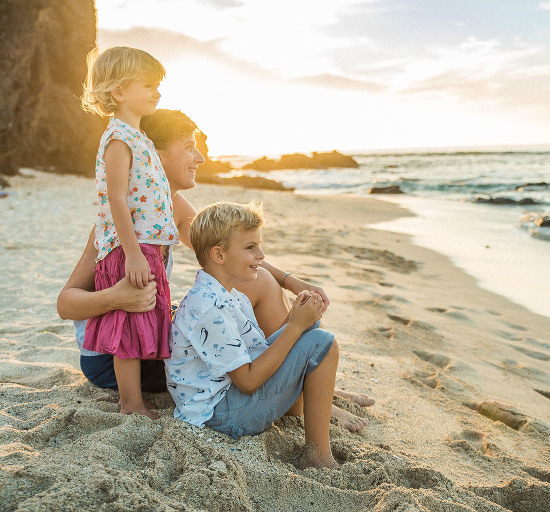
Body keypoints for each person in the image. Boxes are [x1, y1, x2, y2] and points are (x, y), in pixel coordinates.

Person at [57, 109, 372, 430]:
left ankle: (305, 378)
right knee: (241, 301)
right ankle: (300, 393)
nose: (200, 158)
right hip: (111, 355)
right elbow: (65, 303)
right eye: (189, 146)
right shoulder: (115, 224)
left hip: (152, 330)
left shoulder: (173, 206)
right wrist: (117, 298)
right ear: (156, 156)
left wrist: (290, 280)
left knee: (256, 284)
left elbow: (230, 253)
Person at [169, 202, 339, 468]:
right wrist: (293, 326)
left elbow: (256, 350)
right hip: (222, 413)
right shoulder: (211, 309)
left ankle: (296, 411)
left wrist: (299, 319)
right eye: (250, 247)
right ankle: (318, 456)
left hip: (226, 398)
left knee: (311, 329)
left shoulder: (227, 294)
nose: (261, 255)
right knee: (324, 344)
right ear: (219, 255)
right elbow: (247, 381)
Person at [80, 47, 177, 419]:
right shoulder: (118, 139)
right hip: (129, 249)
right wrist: (134, 254)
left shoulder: (139, 137)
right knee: (128, 328)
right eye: (149, 85)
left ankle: (133, 397)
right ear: (118, 92)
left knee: (141, 323)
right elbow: (117, 199)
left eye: (158, 85)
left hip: (145, 246)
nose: (157, 92)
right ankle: (130, 402)